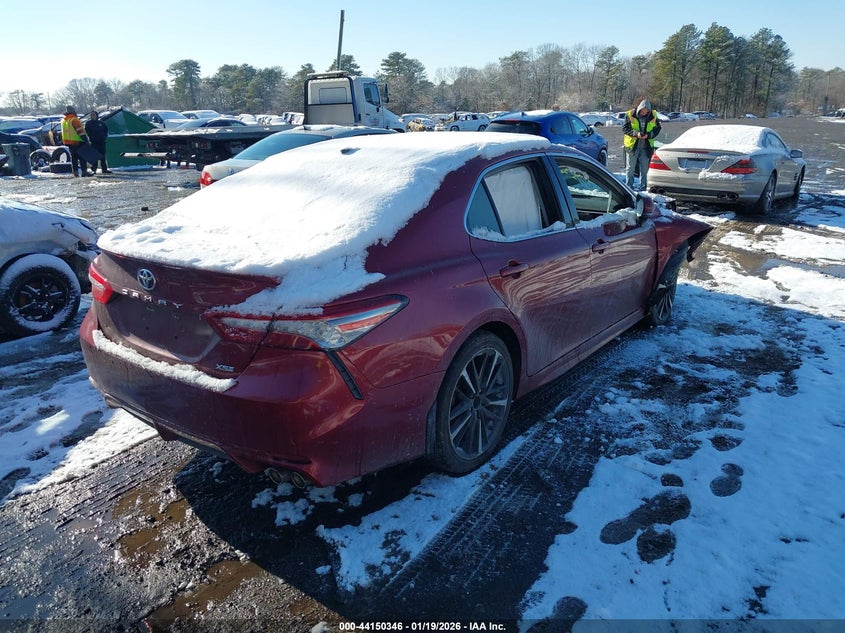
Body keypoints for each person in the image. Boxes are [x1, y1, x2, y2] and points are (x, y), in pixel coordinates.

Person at [622, 99, 661, 191]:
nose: (644, 113)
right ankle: (629, 187)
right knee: (630, 168)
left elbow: (657, 129)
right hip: (632, 147)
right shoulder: (630, 114)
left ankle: (643, 188)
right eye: (642, 111)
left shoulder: (653, 116)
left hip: (646, 148)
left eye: (646, 112)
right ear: (639, 109)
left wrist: (649, 135)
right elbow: (625, 128)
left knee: (644, 169)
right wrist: (636, 134)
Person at [61, 105, 91, 177]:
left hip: (69, 142)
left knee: (74, 158)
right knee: (82, 157)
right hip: (78, 141)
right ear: (74, 112)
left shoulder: (64, 120)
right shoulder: (74, 120)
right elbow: (80, 131)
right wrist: (86, 140)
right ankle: (84, 171)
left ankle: (75, 172)